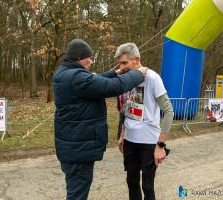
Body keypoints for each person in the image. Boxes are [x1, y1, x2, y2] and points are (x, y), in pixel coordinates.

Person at [53, 39, 148, 200]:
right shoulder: (77, 77)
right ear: (79, 58)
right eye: (89, 57)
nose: (91, 60)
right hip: (78, 149)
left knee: (75, 190)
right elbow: (112, 87)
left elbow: (95, 81)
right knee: (77, 194)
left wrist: (115, 73)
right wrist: (138, 74)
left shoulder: (65, 73)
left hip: (71, 146)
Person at [116, 43, 174, 200]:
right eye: (120, 64)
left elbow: (169, 111)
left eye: (125, 63)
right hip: (129, 141)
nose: (122, 68)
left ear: (137, 59)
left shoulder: (152, 78)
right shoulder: (125, 79)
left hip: (149, 141)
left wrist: (160, 146)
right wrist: (123, 134)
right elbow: (126, 110)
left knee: (147, 187)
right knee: (131, 183)